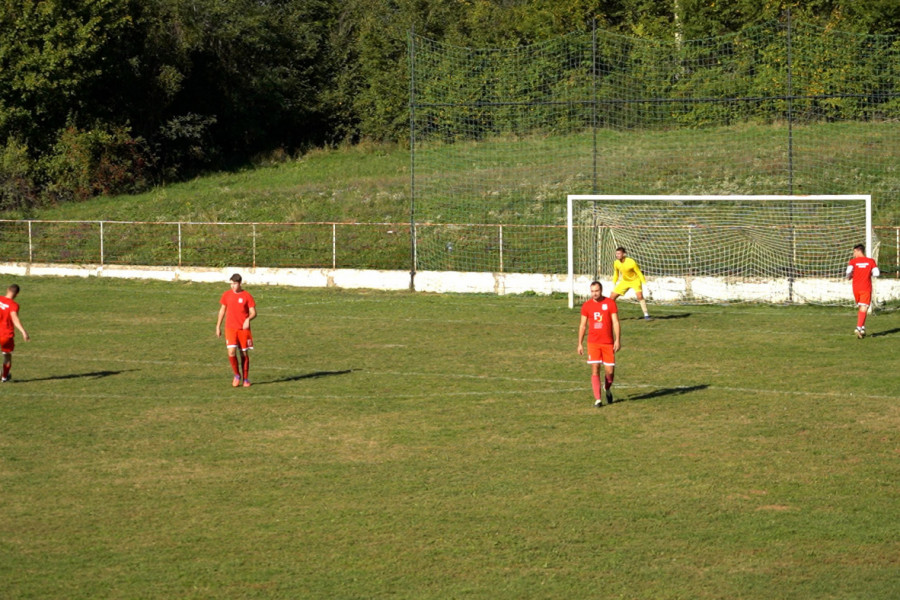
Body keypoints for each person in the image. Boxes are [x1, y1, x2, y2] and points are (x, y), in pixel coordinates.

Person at [577, 281, 621, 407]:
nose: (594, 294)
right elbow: (582, 325)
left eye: (596, 291)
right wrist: (580, 343)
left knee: (609, 372)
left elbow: (616, 322)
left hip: (608, 343)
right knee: (595, 368)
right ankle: (598, 399)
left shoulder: (610, 303)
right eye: (592, 291)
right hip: (593, 343)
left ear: (601, 290)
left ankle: (607, 388)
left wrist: (617, 340)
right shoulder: (586, 306)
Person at [216, 273, 257, 386]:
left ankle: (246, 379)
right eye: (231, 284)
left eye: (234, 283)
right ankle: (237, 375)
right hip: (230, 328)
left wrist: (248, 319)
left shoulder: (247, 296)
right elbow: (222, 310)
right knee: (231, 351)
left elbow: (253, 312)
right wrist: (218, 326)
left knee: (243, 353)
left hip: (243, 330)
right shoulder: (226, 295)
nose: (232, 286)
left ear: (240, 283)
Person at [846, 244, 879, 339]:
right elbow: (877, 273)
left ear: (857, 251)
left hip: (856, 288)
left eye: (854, 252)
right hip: (866, 287)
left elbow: (848, 273)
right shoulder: (871, 261)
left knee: (861, 307)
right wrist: (868, 272)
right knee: (864, 307)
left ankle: (862, 328)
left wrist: (850, 276)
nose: (853, 254)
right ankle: (858, 328)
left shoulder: (853, 261)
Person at [0, 284, 31, 382]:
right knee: (7, 356)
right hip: (6, 335)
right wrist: (23, 331)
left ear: (7, 290)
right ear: (17, 294)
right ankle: (4, 377)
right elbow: (14, 318)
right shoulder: (13, 305)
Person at [610, 246, 650, 320]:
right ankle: (611, 315)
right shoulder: (616, 263)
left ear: (624, 254)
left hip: (635, 280)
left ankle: (646, 314)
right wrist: (614, 283)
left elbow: (639, 272)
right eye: (616, 254)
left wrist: (644, 283)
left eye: (619, 253)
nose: (617, 255)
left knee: (639, 296)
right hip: (625, 281)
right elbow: (616, 273)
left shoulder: (631, 262)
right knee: (612, 297)